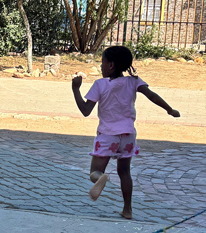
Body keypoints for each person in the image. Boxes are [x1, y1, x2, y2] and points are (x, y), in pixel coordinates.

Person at [71, 45, 180, 219]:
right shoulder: (134, 81)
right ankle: (127, 210)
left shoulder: (100, 85)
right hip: (128, 136)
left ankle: (101, 179)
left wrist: (76, 89)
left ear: (111, 65)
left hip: (107, 135)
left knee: (95, 171)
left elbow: (85, 110)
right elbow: (152, 95)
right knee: (125, 173)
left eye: (103, 63)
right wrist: (170, 109)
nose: (101, 67)